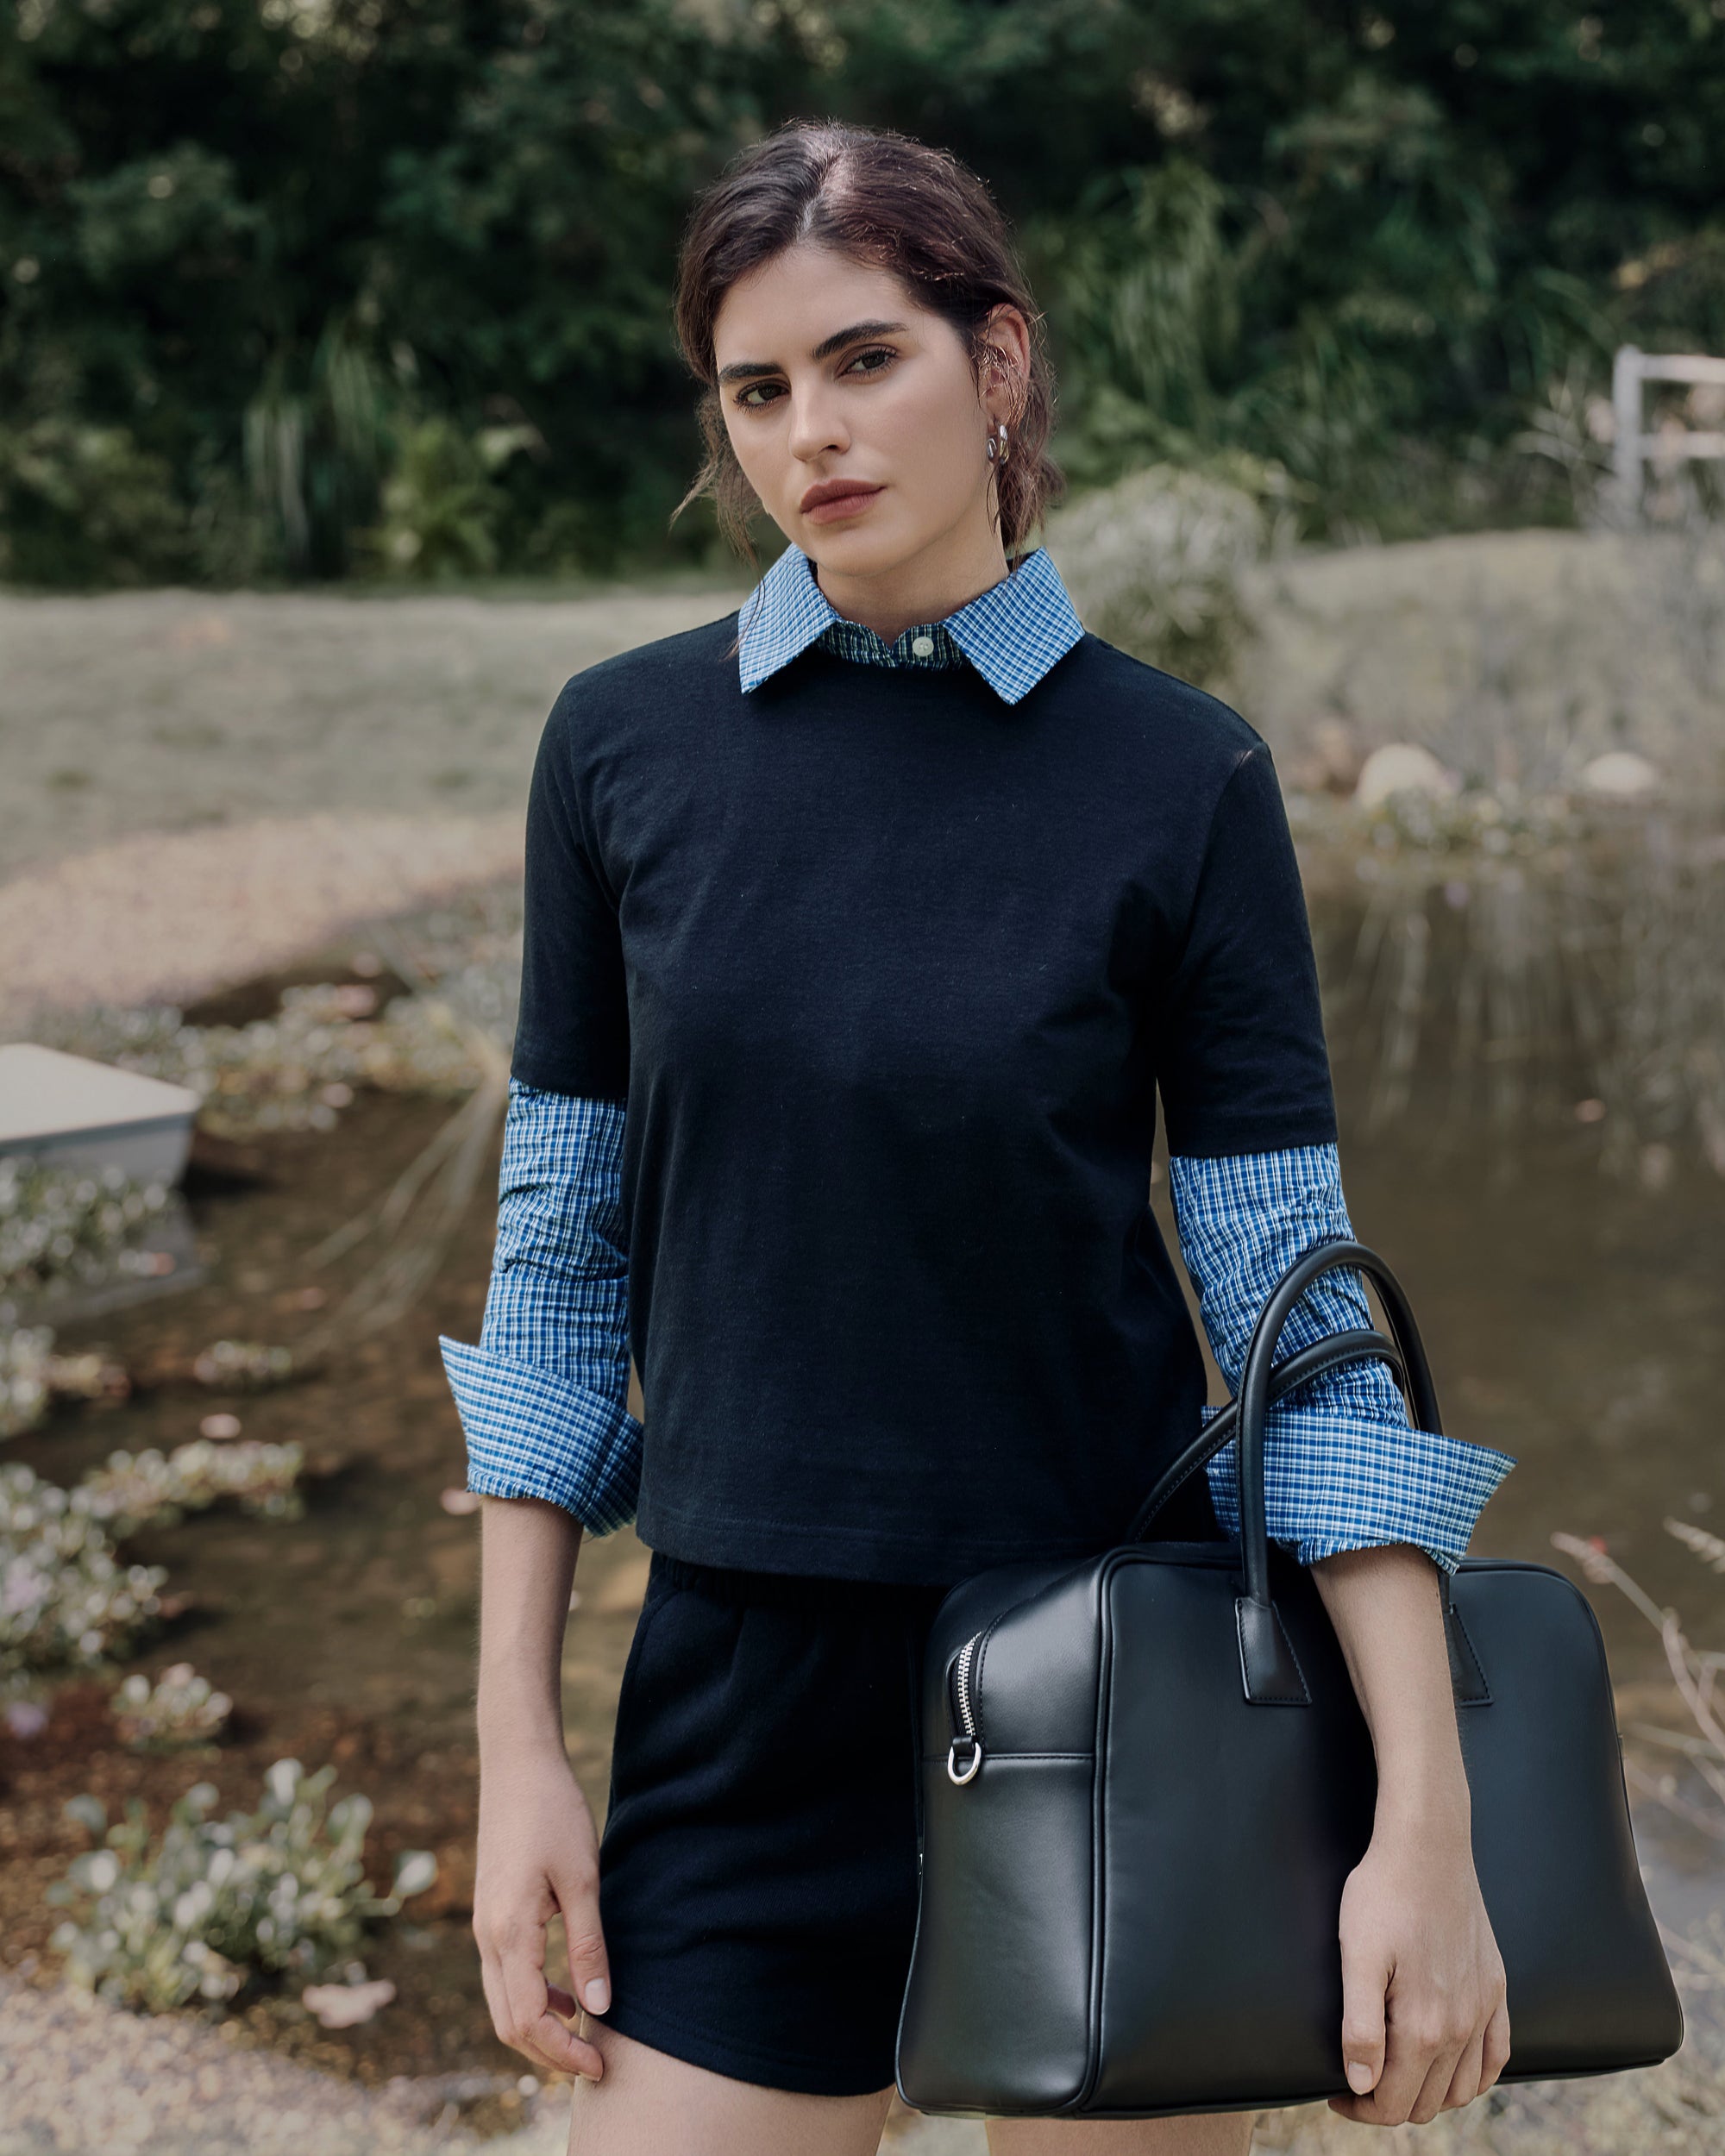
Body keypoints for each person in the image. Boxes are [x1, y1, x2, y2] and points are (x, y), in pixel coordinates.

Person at [437, 119, 1519, 2156]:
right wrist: (515, 1750)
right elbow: (558, 1264)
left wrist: (1421, 1816)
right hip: (742, 1688)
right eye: (756, 389)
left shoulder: (1180, 775)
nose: (807, 434)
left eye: (866, 360)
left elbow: (1297, 1306)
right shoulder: (618, 747)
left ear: (996, 359)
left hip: (1121, 1677)